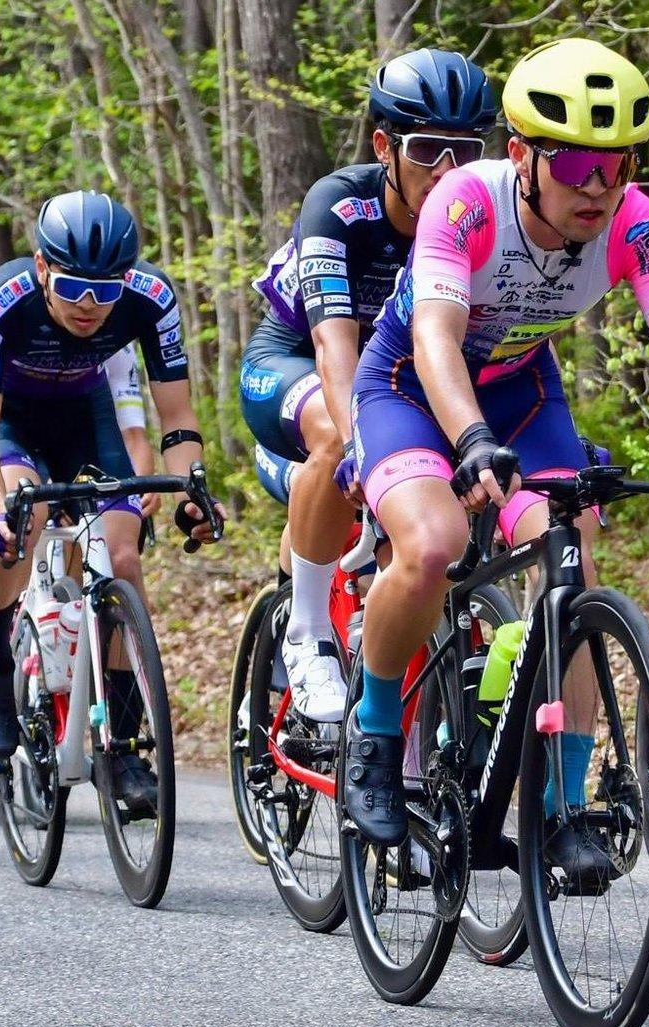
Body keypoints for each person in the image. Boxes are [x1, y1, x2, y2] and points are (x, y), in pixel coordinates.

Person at [341, 38, 649, 875]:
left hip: (524, 395)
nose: (599, 188)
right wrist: (466, 441)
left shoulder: (637, 223)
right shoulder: (464, 203)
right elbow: (435, 335)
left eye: (618, 165)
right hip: (411, 387)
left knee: (573, 574)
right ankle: (375, 732)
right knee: (431, 547)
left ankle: (563, 805)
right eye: (575, 164)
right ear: (523, 155)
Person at [242, 48, 496, 725]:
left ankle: (405, 749)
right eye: (428, 150)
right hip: (297, 361)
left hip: (398, 377)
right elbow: (333, 342)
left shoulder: (482, 215)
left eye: (467, 152)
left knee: (424, 549)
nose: (449, 173)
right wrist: (362, 445)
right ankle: (306, 631)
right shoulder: (339, 205)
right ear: (384, 145)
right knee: (332, 432)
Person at [0, 191, 221, 820]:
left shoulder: (151, 297)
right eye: (74, 286)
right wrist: (0, 514)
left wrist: (191, 491)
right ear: (43, 267)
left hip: (82, 415)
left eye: (106, 290)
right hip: (6, 422)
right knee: (24, 519)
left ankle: (123, 746)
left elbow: (176, 419)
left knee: (122, 556)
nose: (90, 306)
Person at [0, 348, 154, 763]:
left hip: (75, 428)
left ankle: (72, 697)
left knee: (102, 544)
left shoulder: (114, 345)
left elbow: (134, 435)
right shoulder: (15, 324)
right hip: (4, 426)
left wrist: (137, 494)